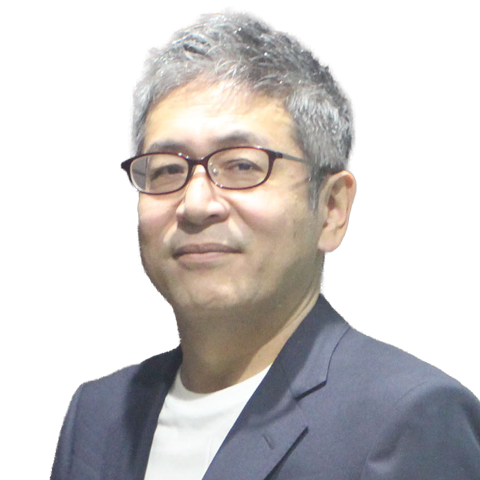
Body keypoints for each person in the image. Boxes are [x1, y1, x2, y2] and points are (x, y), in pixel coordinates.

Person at [51, 11, 480, 480]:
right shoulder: (99, 414)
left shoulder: (406, 420)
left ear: (331, 208)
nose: (196, 205)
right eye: (168, 170)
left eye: (242, 166)